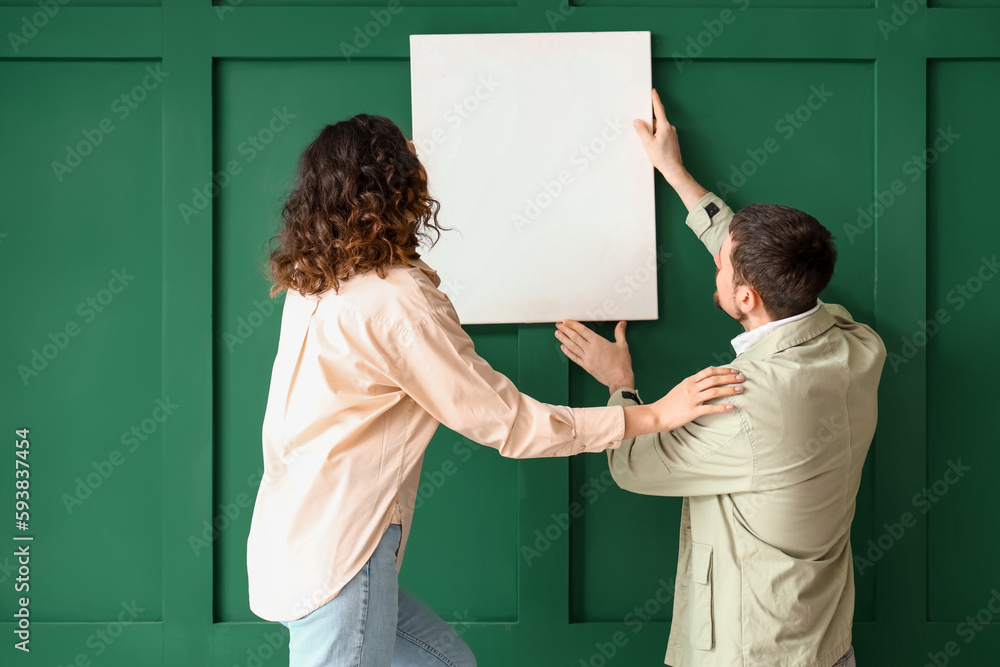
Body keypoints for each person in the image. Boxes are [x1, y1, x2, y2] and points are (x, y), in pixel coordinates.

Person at [244, 114, 746, 667]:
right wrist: (650, 415)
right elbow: (508, 424)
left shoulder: (315, 281)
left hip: (294, 537)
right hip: (339, 554)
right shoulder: (398, 303)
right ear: (396, 186)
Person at [555, 89, 886, 667]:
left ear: (746, 296)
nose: (715, 262)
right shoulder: (854, 346)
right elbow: (768, 273)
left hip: (749, 652)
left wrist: (621, 383)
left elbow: (633, 466)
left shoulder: (744, 403)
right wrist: (675, 173)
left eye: (721, 265)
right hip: (823, 640)